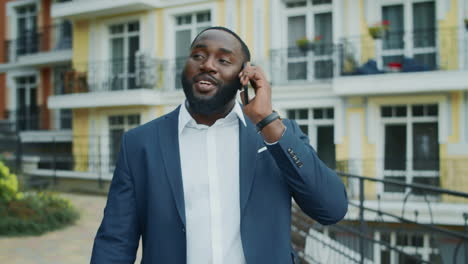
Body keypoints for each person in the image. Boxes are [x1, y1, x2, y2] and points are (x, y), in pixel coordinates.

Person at [91, 26, 348, 264]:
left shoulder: (276, 135)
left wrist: (268, 122)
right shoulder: (140, 143)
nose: (208, 66)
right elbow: (115, 241)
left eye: (223, 60)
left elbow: (332, 208)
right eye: (198, 56)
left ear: (244, 75)